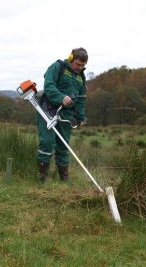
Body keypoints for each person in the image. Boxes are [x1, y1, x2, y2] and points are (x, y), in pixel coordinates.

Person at [37, 47, 88, 182]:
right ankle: (43, 177)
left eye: (83, 65)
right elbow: (48, 86)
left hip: (66, 114)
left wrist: (81, 117)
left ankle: (64, 179)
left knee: (63, 145)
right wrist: (61, 97)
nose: (80, 67)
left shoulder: (81, 77)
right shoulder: (57, 67)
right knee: (47, 143)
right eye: (78, 64)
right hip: (48, 109)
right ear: (71, 58)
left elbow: (81, 98)